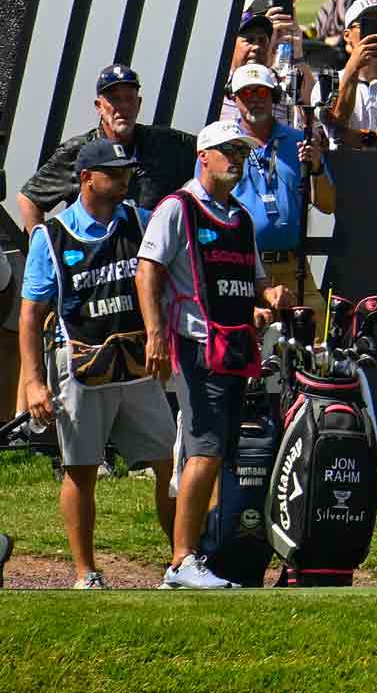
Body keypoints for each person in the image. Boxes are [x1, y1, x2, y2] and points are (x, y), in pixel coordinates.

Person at [136, 120, 295, 589]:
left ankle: (197, 555)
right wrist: (154, 334)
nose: (237, 159)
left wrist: (270, 299)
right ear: (203, 155)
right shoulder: (177, 207)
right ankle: (182, 560)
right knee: (204, 451)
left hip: (234, 349)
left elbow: (256, 281)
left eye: (242, 153)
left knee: (217, 451)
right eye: (228, 151)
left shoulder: (240, 217)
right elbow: (148, 272)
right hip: (195, 346)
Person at [17, 139, 176, 589]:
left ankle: (181, 560)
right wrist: (32, 382)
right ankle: (85, 571)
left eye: (126, 170)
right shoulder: (52, 236)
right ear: (86, 179)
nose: (124, 178)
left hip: (137, 364)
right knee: (81, 468)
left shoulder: (141, 222)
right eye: (114, 171)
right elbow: (31, 315)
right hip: (83, 366)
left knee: (168, 461)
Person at [16, 64, 196, 234]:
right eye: (115, 100)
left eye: (129, 99)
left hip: (154, 256)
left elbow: (210, 155)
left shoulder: (165, 142)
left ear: (139, 103)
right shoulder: (79, 151)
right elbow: (29, 199)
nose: (123, 107)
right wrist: (43, 250)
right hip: (99, 260)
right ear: (99, 106)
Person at [224, 64, 336, 326]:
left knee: (315, 340)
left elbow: (328, 204)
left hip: (293, 264)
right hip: (243, 267)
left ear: (273, 96)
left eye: (261, 92)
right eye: (246, 93)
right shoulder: (222, 143)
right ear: (234, 98)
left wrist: (317, 167)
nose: (254, 99)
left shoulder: (299, 139)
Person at [325, 0, 377, 149]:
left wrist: (364, 138)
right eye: (368, 25)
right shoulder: (327, 83)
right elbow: (337, 127)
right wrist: (353, 69)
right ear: (347, 35)